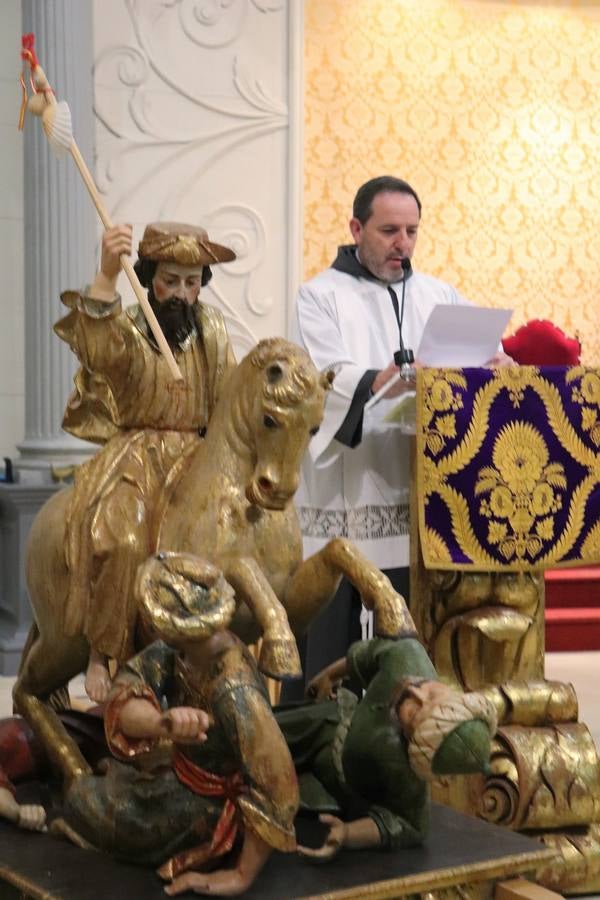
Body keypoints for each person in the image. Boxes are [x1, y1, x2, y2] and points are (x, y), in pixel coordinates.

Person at [289, 175, 512, 689]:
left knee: (410, 658)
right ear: (355, 227)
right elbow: (321, 379)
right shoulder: (320, 296)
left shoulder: (440, 294)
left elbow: (474, 361)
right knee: (334, 662)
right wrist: (379, 380)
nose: (402, 243)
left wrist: (495, 364)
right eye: (389, 230)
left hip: (420, 497)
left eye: (412, 231)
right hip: (350, 495)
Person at [55, 222, 237, 702]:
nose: (181, 293)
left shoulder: (212, 330)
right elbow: (96, 351)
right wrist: (106, 276)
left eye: (192, 282)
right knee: (124, 539)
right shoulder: (130, 326)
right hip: (137, 455)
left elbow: (228, 398)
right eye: (170, 281)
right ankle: (103, 650)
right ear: (150, 277)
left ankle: (216, 653)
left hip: (196, 457)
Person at [55, 552, 299, 897]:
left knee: (83, 801)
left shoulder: (233, 690)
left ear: (168, 624)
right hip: (182, 777)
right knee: (92, 788)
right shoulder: (184, 652)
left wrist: (241, 876)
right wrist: (161, 723)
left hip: (206, 809)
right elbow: (125, 688)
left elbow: (280, 787)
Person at [276, 635, 497, 860]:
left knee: (272, 796)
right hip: (328, 723)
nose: (415, 692)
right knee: (259, 733)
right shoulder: (407, 658)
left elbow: (410, 828)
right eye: (433, 693)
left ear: (415, 750)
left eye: (413, 714)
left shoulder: (407, 779)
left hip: (335, 788)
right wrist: (329, 676)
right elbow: (366, 656)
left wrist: (348, 834)